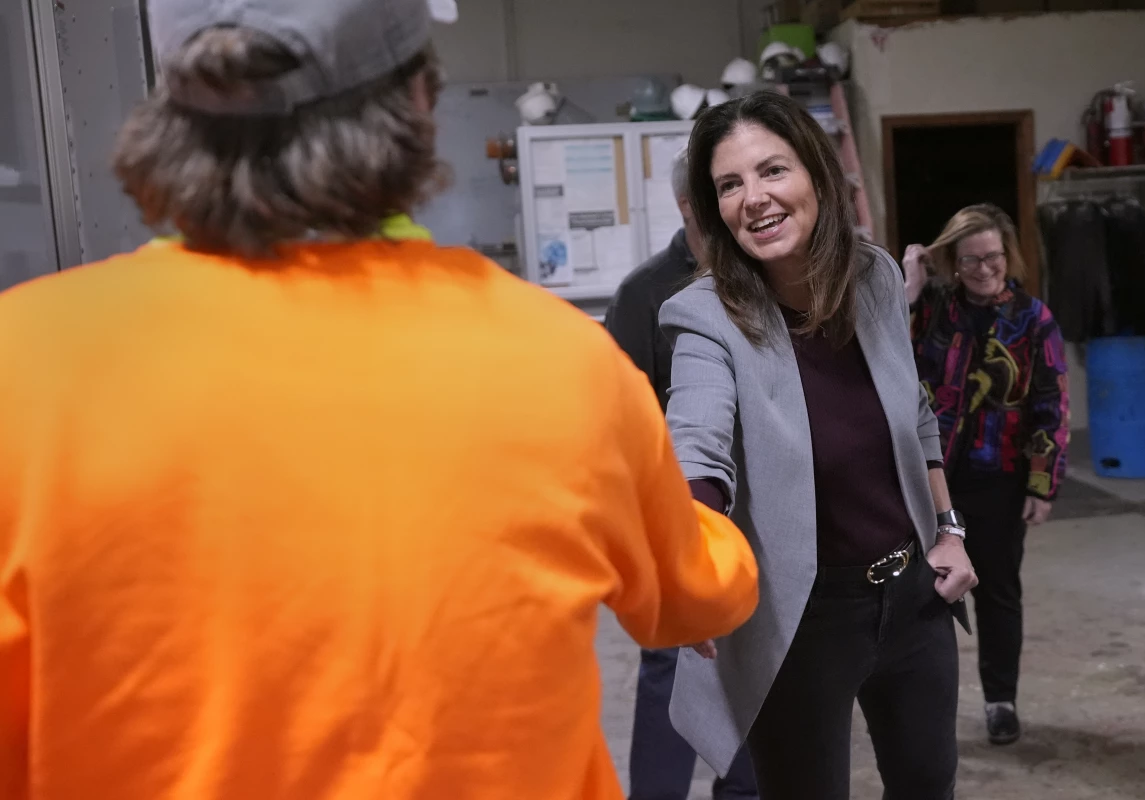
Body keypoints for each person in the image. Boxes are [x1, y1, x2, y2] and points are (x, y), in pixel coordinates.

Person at [0, 2, 761, 799]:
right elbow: (696, 593)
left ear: (170, 117)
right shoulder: (557, 361)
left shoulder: (24, 365)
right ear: (420, 104)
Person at [659, 90, 978, 800]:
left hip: (912, 595)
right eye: (730, 185)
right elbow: (698, 448)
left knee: (930, 784)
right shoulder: (705, 318)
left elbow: (916, 413)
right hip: (801, 615)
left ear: (816, 176)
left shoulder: (875, 278)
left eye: (772, 171)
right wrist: (689, 559)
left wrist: (949, 531)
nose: (754, 198)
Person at [605, 150, 759, 800]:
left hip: (755, 517)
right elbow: (615, 420)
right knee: (671, 665)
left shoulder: (757, 280)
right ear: (688, 208)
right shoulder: (643, 294)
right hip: (672, 517)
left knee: (751, 665)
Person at [903, 204, 1069, 746]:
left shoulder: (1033, 318)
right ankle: (928, 706)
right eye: (970, 259)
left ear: (1008, 256)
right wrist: (910, 284)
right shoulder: (931, 310)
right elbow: (882, 354)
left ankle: (1001, 700)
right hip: (932, 478)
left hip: (1000, 477)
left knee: (997, 594)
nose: (982, 268)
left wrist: (1042, 485)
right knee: (928, 597)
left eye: (992, 257)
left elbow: (1052, 404)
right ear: (954, 260)